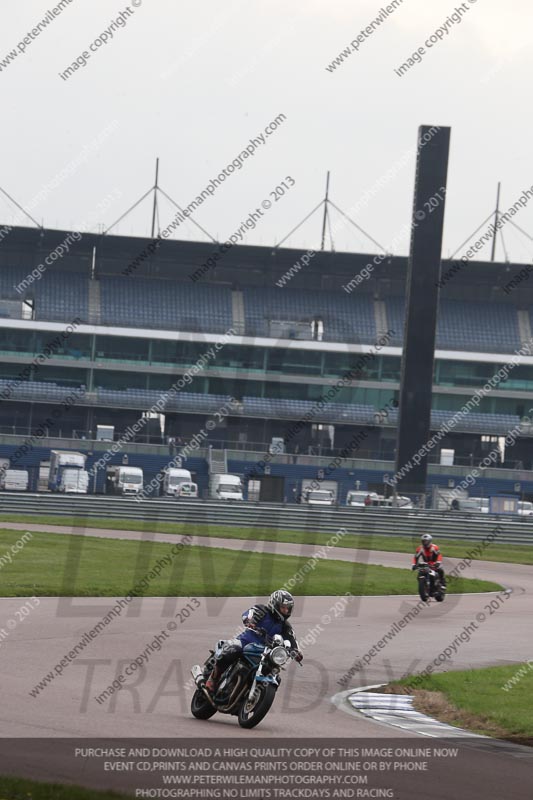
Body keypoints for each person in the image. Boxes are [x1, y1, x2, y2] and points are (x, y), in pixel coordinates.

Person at [205, 590, 303, 693]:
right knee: (232, 650)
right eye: (283, 607)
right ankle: (213, 678)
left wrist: (296, 652)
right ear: (275, 604)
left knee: (275, 675)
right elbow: (248, 614)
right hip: (245, 642)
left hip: (264, 653)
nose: (286, 611)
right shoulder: (262, 610)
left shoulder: (285, 626)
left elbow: (293, 640)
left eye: (288, 608)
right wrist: (249, 620)